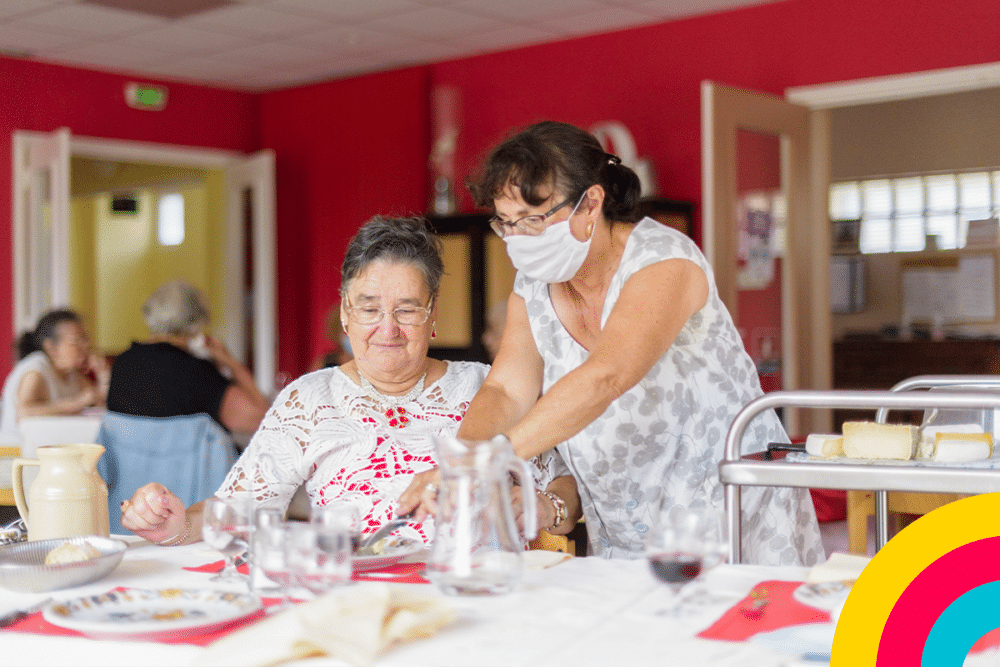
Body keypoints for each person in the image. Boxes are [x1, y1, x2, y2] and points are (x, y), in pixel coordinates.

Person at [400, 121, 823, 566]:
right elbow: (506, 389)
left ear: (591, 204)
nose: (518, 239)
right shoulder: (533, 286)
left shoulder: (664, 260)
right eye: (506, 223)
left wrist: (493, 457)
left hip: (724, 500)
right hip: (626, 516)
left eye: (533, 220)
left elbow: (606, 376)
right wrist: (462, 466)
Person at [120, 216, 580, 548]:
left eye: (406, 309)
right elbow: (234, 508)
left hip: (477, 595)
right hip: (355, 600)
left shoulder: (490, 390)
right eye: (368, 308)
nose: (388, 328)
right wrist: (174, 525)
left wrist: (547, 509)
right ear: (344, 312)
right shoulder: (308, 400)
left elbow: (565, 487)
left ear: (433, 315)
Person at [105, 281, 270, 435]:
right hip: (190, 467)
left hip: (133, 467)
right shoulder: (197, 373)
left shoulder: (122, 364)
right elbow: (262, 419)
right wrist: (230, 362)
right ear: (196, 323)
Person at [0, 309, 109, 445]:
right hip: (16, 453)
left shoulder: (72, 372)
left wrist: (103, 374)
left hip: (47, 448)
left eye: (85, 339)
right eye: (76, 341)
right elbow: (22, 413)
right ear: (51, 347)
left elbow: (99, 402)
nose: (85, 346)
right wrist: (77, 402)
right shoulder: (36, 370)